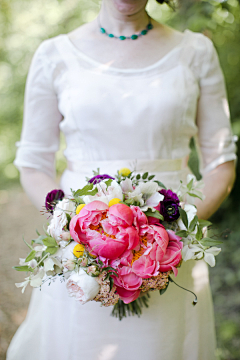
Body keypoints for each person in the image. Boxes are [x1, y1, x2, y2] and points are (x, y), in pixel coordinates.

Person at [7, 0, 237, 359]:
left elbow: (221, 163)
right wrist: (73, 236)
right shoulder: (54, 54)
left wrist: (166, 243)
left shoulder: (195, 52)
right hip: (79, 258)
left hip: (171, 255)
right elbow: (33, 163)